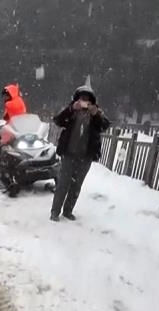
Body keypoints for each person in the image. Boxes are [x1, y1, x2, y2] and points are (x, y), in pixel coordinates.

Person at [50, 85, 111, 222]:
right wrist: (71, 109)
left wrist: (96, 114)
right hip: (68, 154)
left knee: (76, 186)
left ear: (91, 101)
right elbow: (58, 120)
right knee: (63, 184)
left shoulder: (96, 113)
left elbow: (105, 126)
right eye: (82, 98)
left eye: (87, 99)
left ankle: (68, 211)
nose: (84, 101)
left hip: (85, 157)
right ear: (77, 99)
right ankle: (55, 212)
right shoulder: (71, 111)